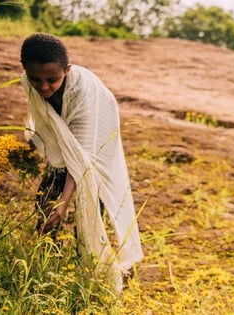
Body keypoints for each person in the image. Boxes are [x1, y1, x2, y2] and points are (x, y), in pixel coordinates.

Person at [20, 32, 143, 293]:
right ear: (25, 71)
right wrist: (29, 147)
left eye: (52, 80)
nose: (43, 87)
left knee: (90, 204)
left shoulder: (84, 92)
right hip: (69, 139)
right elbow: (44, 119)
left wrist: (63, 204)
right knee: (46, 205)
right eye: (36, 79)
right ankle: (45, 270)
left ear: (67, 69)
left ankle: (100, 271)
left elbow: (83, 158)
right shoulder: (27, 81)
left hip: (97, 132)